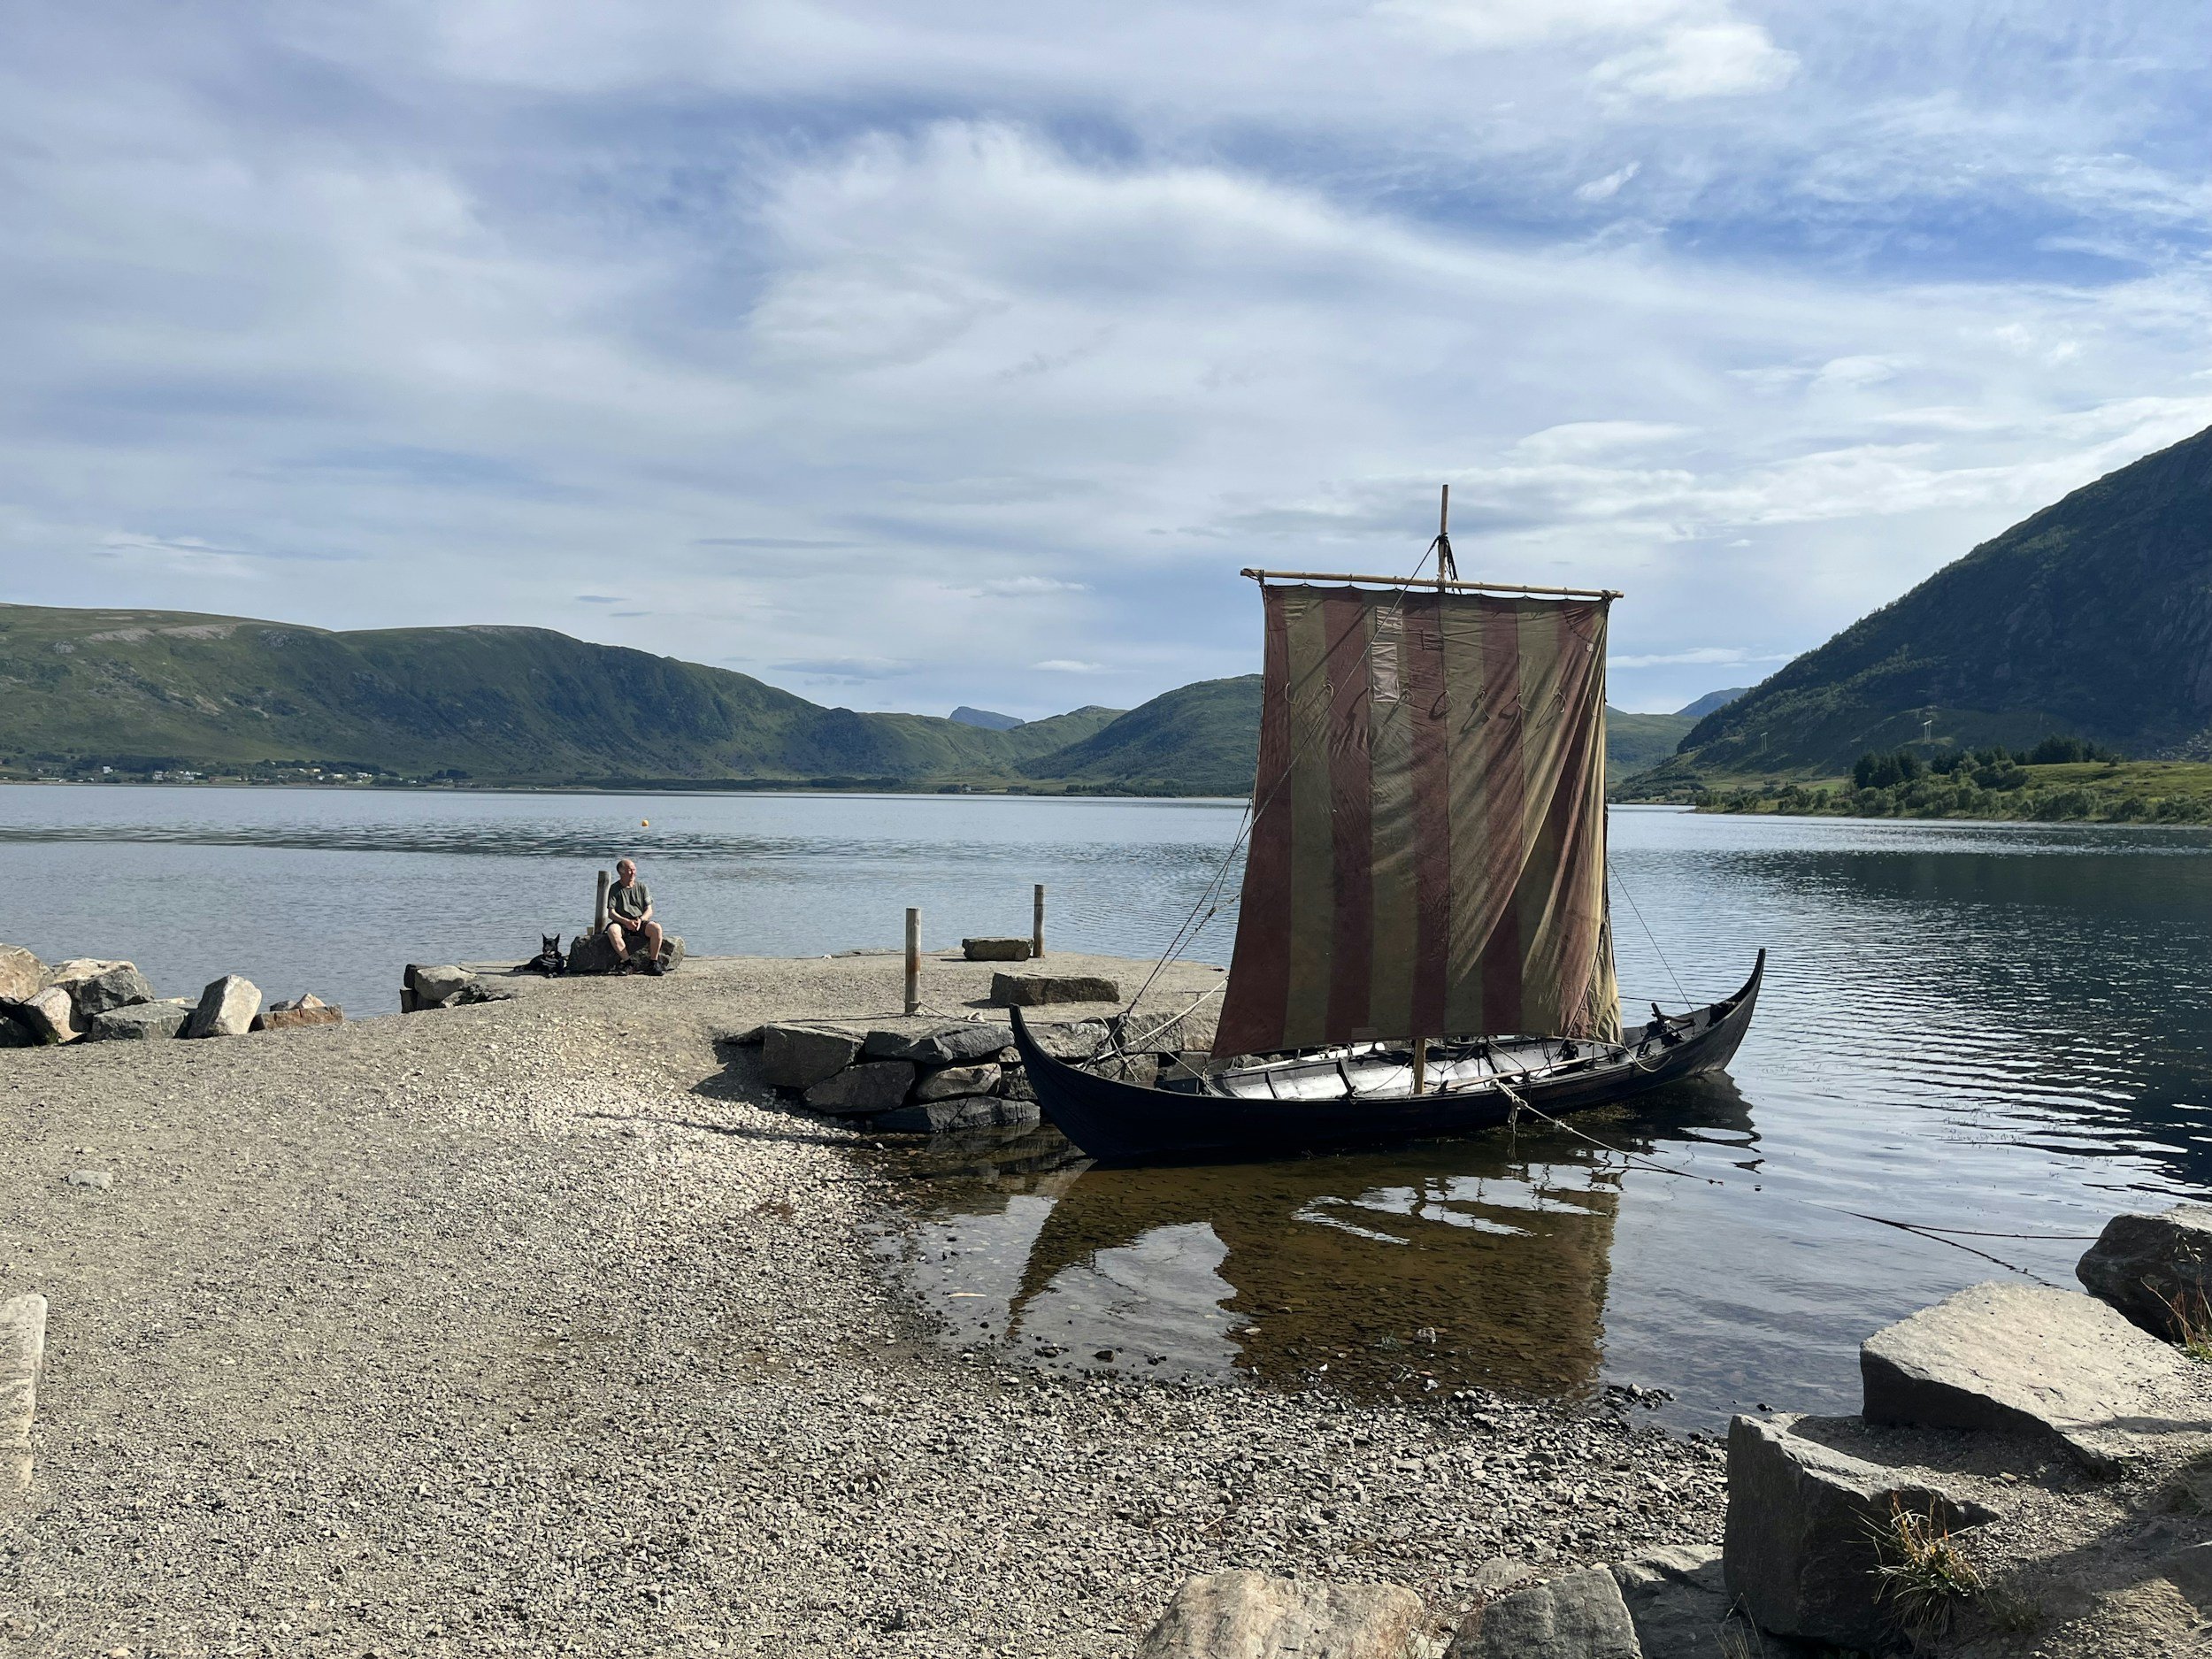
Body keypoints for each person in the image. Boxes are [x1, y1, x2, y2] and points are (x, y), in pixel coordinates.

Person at [604, 857, 665, 974]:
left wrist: (641, 920)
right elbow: (611, 912)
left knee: (656, 928)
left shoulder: (642, 887)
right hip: (622, 922)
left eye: (634, 869)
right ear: (621, 872)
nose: (633, 873)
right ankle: (628, 963)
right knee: (612, 931)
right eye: (630, 870)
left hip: (640, 921)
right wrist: (626, 922)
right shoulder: (615, 889)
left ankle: (653, 963)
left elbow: (649, 910)